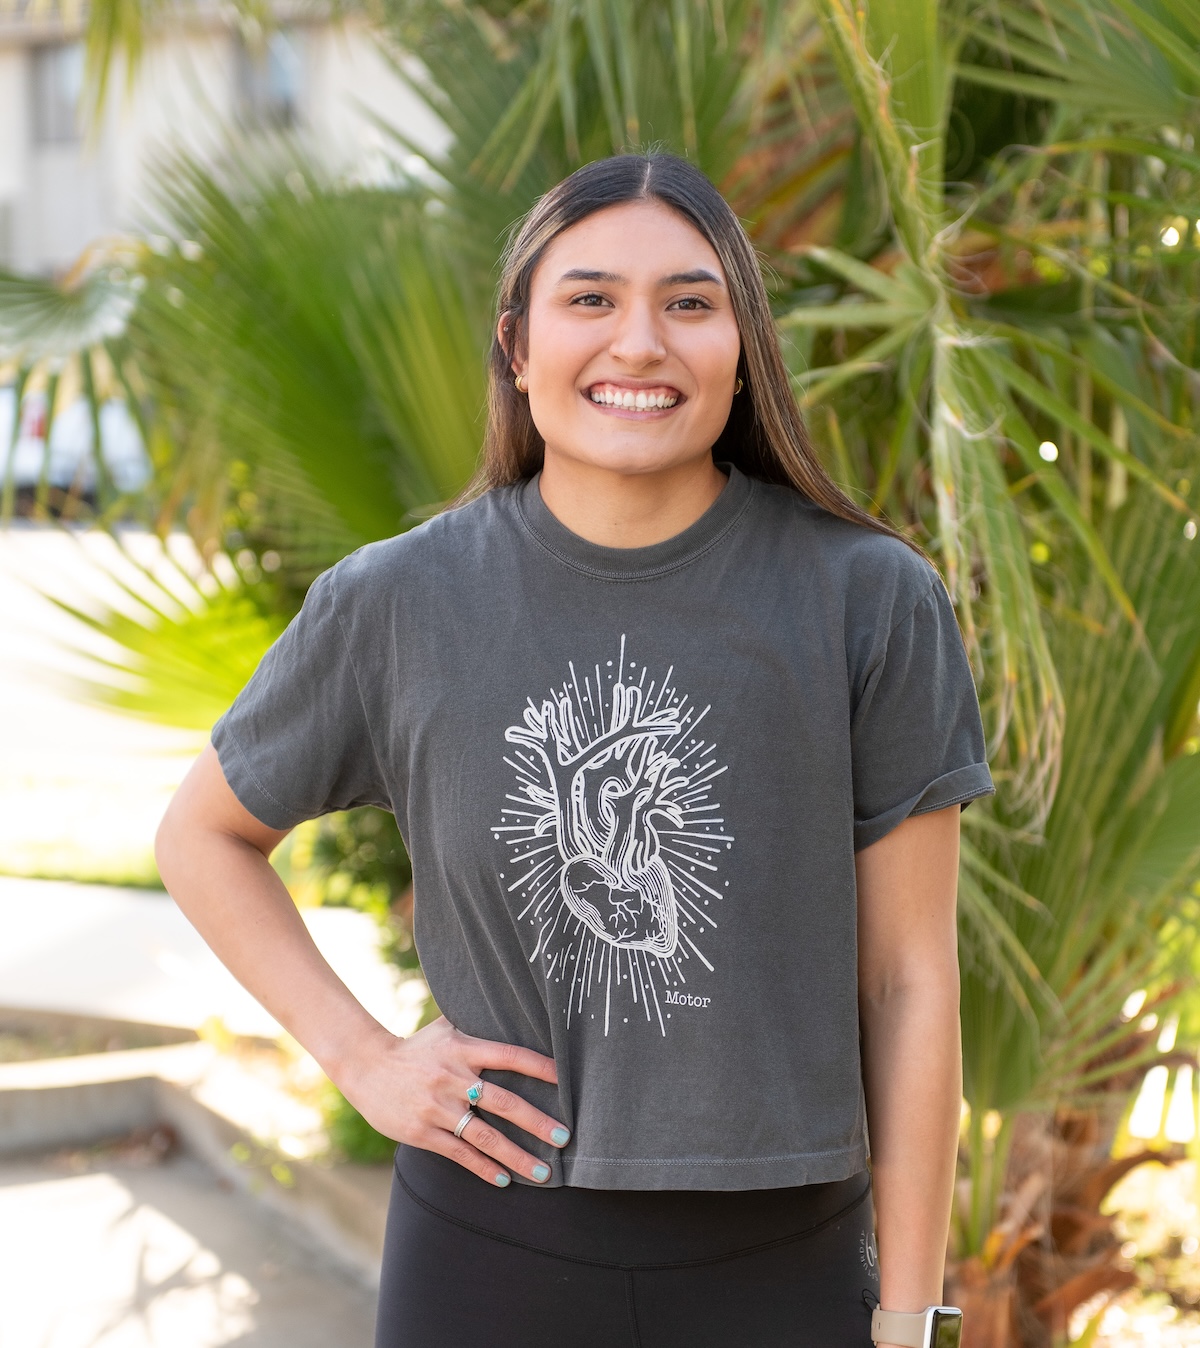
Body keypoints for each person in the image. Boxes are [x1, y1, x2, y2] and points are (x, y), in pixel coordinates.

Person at [156, 152, 994, 1348]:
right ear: (517, 344)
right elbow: (202, 835)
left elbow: (912, 981)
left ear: (742, 344)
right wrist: (364, 1059)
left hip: (788, 1267)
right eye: (590, 299)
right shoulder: (399, 600)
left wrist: (913, 1318)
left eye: (690, 302)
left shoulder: (866, 597)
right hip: (487, 1256)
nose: (639, 343)